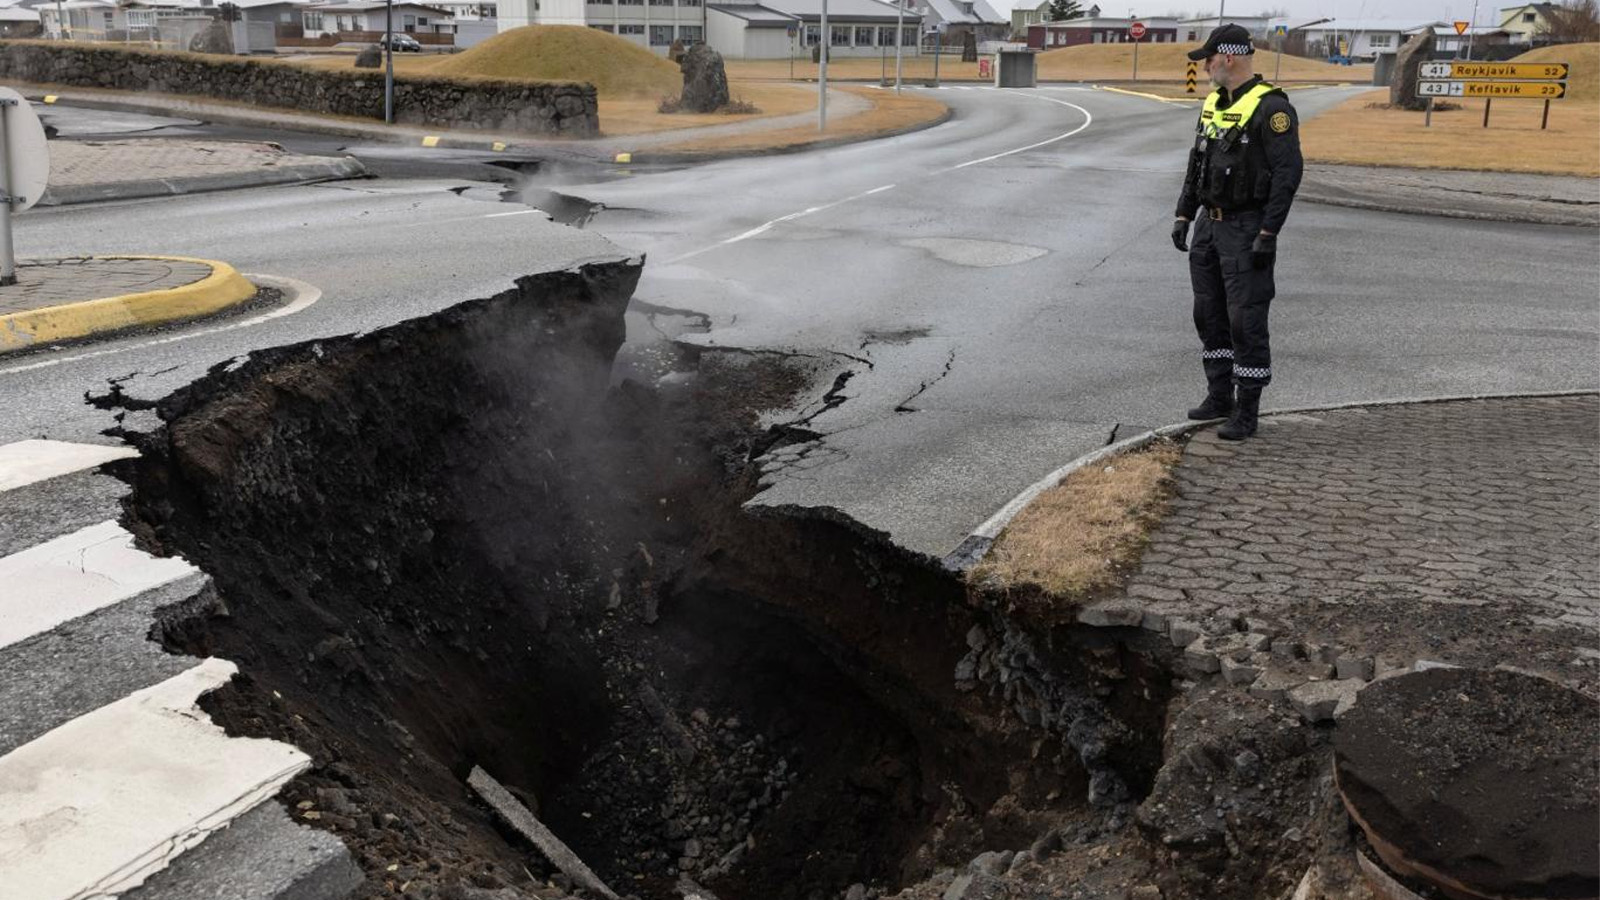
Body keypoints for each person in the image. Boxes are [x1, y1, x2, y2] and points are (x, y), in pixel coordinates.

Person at [1171, 23, 1303, 441]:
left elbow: (1287, 173)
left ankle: (1247, 412)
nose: (1205, 67)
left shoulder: (1272, 108)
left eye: (1207, 59)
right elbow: (1198, 162)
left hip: (1247, 227)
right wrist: (1184, 215)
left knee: (1245, 319)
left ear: (1227, 57)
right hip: (1210, 225)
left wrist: (1269, 231)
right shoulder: (1213, 103)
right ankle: (1218, 396)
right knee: (1208, 314)